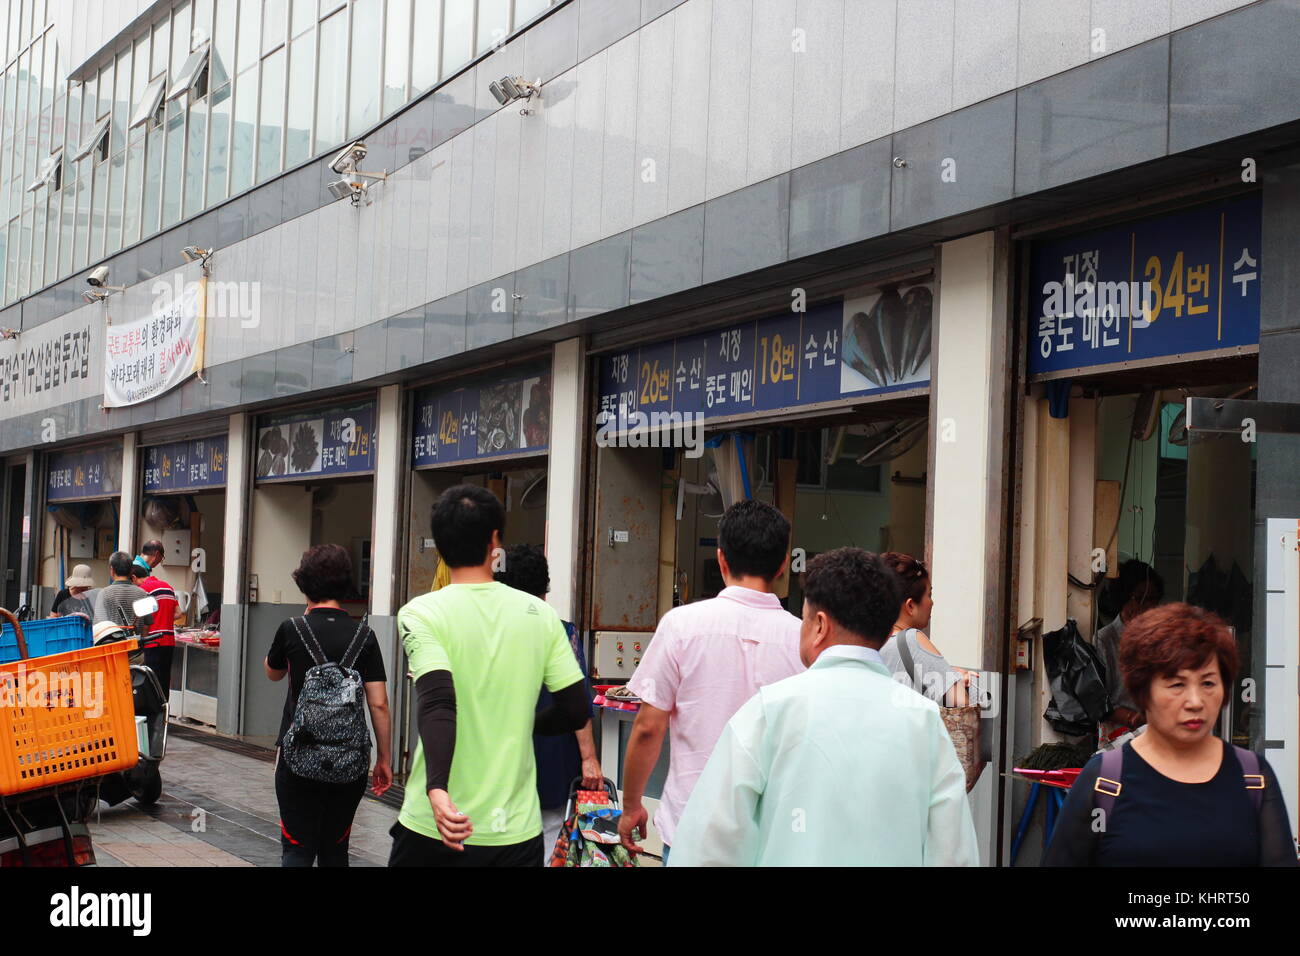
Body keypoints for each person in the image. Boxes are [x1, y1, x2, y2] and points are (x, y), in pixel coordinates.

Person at [669, 547, 979, 866]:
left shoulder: (769, 711)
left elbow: (708, 847)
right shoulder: (924, 721)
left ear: (819, 625)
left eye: (803, 619)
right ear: (887, 628)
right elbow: (953, 853)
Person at [389, 485, 589, 867]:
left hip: (434, 825)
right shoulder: (541, 615)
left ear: (440, 547)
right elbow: (576, 708)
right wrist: (525, 722)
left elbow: (437, 701)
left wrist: (437, 789)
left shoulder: (421, 613)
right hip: (514, 832)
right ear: (495, 540)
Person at [617, 499, 804, 864]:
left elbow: (648, 729)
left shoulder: (681, 625)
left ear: (721, 560)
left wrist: (632, 805)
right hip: (772, 832)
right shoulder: (803, 640)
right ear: (783, 564)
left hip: (692, 827)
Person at [1044, 603, 1295, 866]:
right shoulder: (1104, 781)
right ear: (1143, 691)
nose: (1195, 701)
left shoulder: (1253, 778)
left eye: (1208, 683)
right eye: (1177, 684)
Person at [265, 544, 391, 867]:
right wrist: (384, 758)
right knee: (336, 849)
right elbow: (379, 705)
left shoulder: (292, 629)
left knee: (297, 848)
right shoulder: (365, 636)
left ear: (304, 583)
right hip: (349, 763)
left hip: (297, 758)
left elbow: (272, 673)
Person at [494, 544, 603, 861]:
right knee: (549, 841)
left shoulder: (487, 633)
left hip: (500, 761)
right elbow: (578, 699)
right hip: (554, 757)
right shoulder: (561, 632)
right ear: (545, 591)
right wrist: (589, 759)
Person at [879, 552, 969, 706]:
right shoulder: (911, 639)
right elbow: (961, 703)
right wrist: (959, 681)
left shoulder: (871, 641)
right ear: (911, 606)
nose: (932, 602)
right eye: (929, 594)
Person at [1094, 559, 1164, 732]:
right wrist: (1133, 718)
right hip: (1118, 739)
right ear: (1124, 598)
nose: (1147, 607)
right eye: (1141, 599)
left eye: (1153, 600)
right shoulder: (1104, 641)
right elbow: (1098, 701)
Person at [131, 556, 179, 691]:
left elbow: (142, 620)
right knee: (165, 679)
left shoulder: (144, 590)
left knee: (151, 680)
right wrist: (164, 620)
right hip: (169, 640)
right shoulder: (168, 587)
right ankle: (165, 708)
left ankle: (153, 710)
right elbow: (179, 613)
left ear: (134, 578)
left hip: (153, 641)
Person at [93, 552, 153, 631]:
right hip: (135, 642)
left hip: (112, 642)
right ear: (131, 571)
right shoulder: (142, 594)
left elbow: (99, 624)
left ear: (112, 570)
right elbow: (146, 625)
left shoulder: (104, 594)